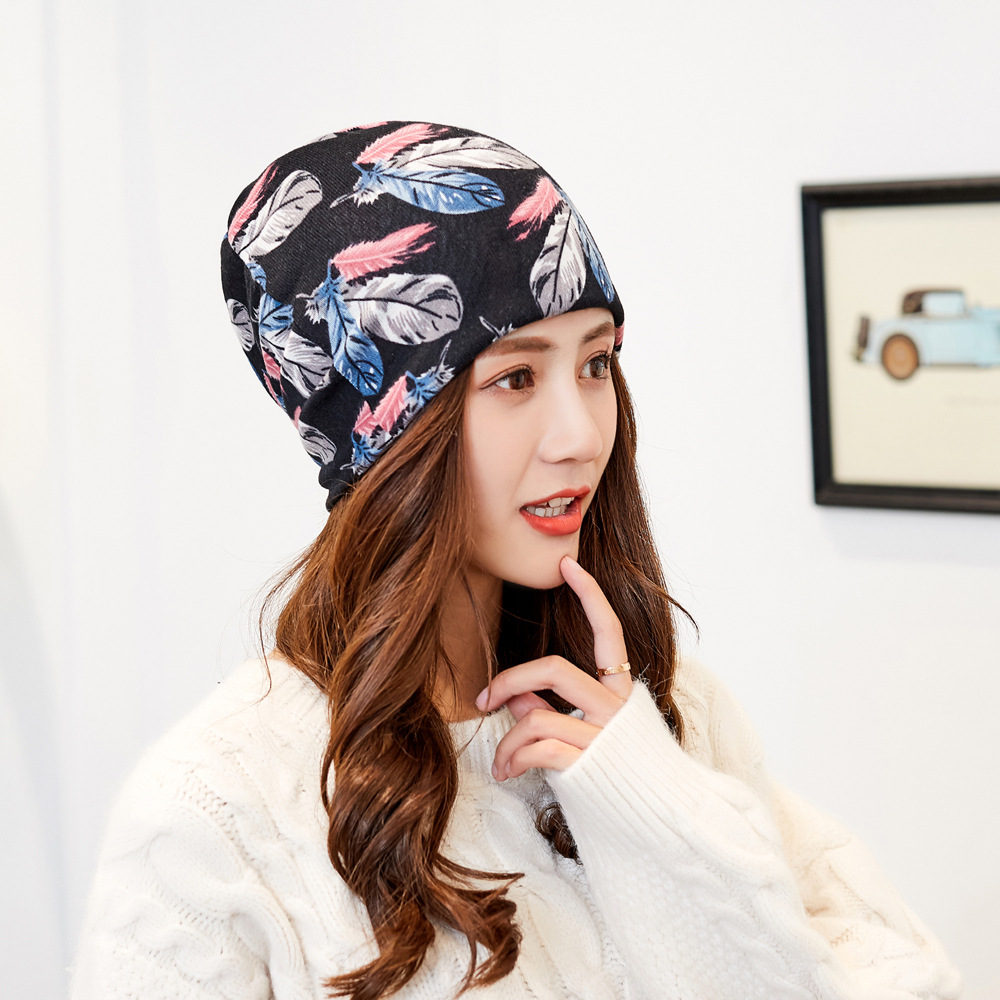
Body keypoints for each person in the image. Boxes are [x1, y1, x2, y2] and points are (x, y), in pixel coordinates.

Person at [70, 121, 961, 999]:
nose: (582, 436)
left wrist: (654, 814)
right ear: (381, 433)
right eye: (515, 378)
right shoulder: (216, 809)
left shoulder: (657, 714)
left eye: (597, 363)